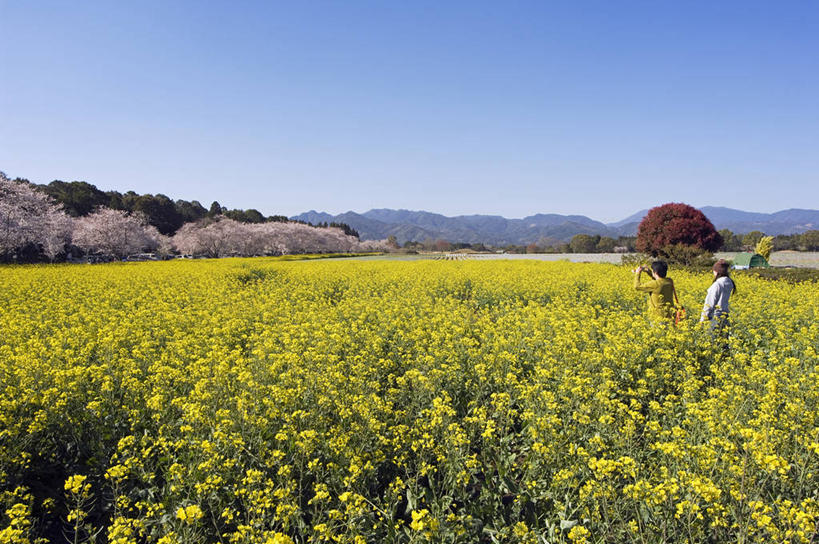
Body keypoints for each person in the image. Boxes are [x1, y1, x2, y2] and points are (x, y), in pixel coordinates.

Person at [700, 259, 736, 335]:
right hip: (725, 318)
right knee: (723, 344)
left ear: (717, 271)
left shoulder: (717, 285)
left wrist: (702, 320)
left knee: (712, 344)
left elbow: (709, 304)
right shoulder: (729, 283)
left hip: (715, 318)